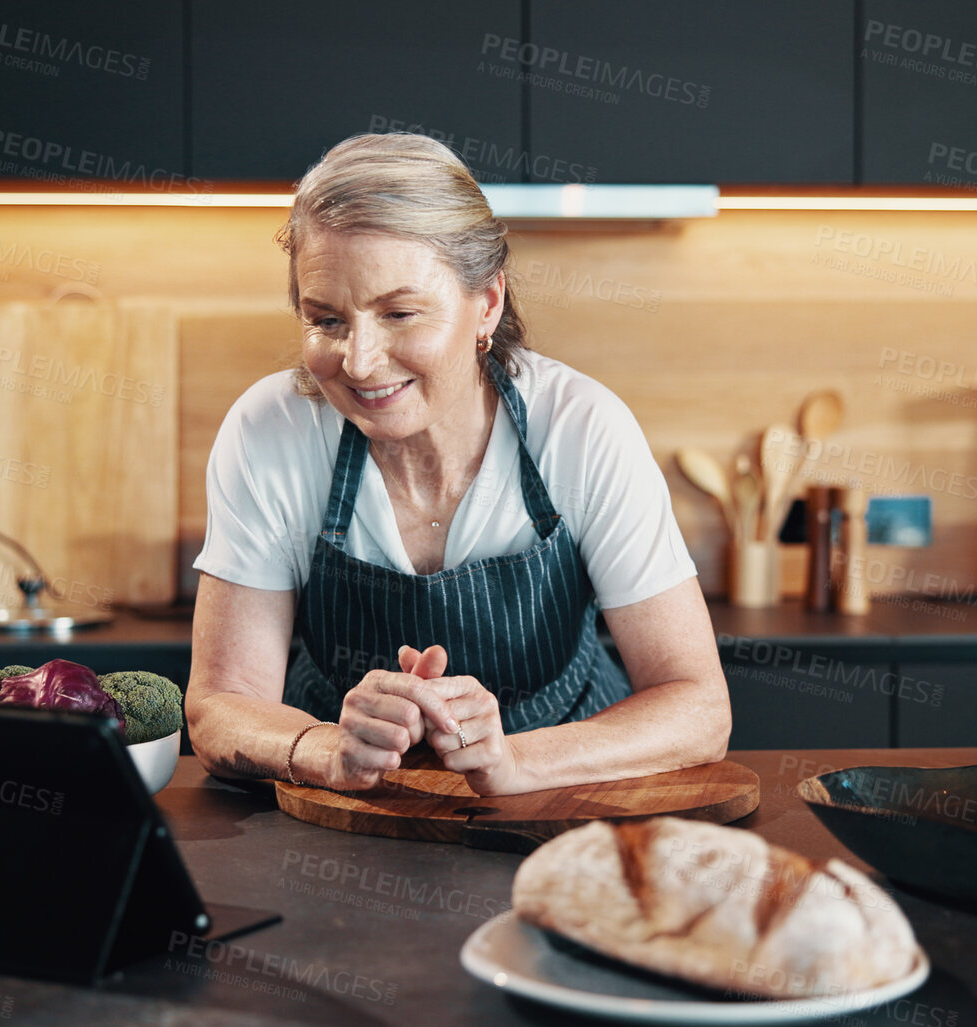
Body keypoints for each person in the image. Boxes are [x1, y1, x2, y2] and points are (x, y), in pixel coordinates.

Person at [185, 133, 729, 796]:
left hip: (562, 799)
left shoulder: (582, 428)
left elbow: (698, 707)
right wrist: (326, 748)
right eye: (326, 320)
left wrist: (517, 762)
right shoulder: (271, 430)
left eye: (399, 313)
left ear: (487, 304)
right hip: (341, 808)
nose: (359, 361)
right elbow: (220, 705)